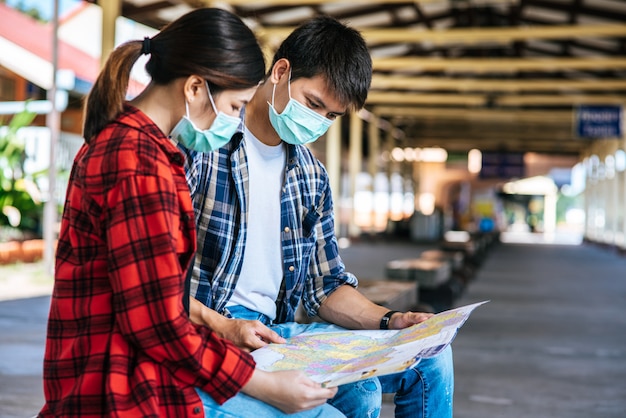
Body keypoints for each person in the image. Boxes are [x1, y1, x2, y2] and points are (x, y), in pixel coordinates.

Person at [39, 8, 344, 418]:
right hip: (124, 392)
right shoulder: (138, 162)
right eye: (236, 106)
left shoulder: (142, 149)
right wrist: (265, 385)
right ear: (196, 88)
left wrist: (227, 337)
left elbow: (161, 300)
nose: (237, 120)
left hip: (138, 376)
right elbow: (159, 324)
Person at [184, 15, 454, 418]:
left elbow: (324, 287)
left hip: (275, 335)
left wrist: (391, 320)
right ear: (280, 71)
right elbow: (153, 281)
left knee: (432, 357)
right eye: (313, 104)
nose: (318, 122)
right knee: (359, 395)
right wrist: (219, 326)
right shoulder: (209, 142)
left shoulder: (311, 175)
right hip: (210, 327)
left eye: (332, 116)